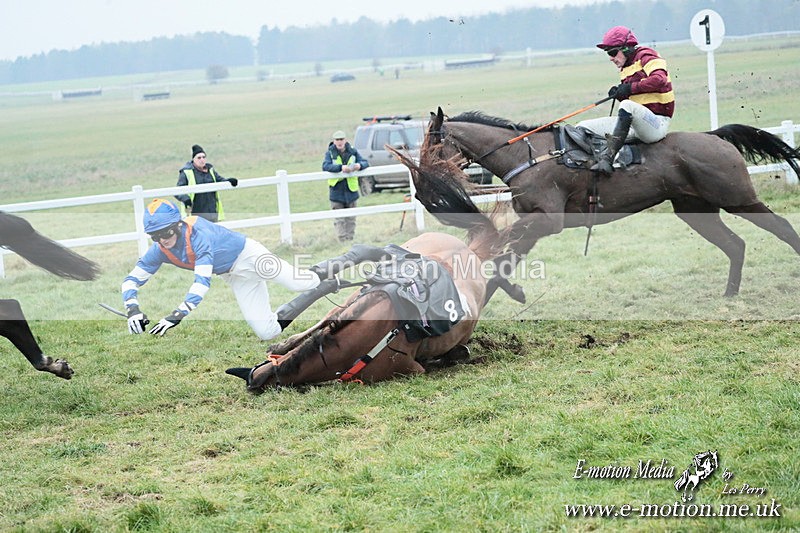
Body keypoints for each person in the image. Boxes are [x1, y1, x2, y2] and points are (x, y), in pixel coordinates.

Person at [122, 198, 321, 340]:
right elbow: (130, 281)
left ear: (178, 225)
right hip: (233, 275)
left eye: (166, 233)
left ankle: (336, 266)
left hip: (250, 256)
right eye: (155, 236)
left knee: (301, 283)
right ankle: (317, 291)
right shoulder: (159, 249)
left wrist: (177, 315)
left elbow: (202, 283)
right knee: (267, 333)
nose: (162, 241)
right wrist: (133, 309)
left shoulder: (198, 236)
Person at [577, 26, 675, 174]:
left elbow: (659, 80)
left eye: (612, 52)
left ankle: (608, 160)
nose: (611, 58)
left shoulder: (647, 55)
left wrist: (629, 88)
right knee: (582, 127)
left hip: (656, 123)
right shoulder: (625, 68)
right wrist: (620, 93)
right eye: (608, 53)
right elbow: (637, 96)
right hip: (636, 125)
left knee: (627, 105)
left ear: (626, 48)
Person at [322, 130, 369, 242]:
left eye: (341, 139)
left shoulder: (353, 152)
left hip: (351, 190)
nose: (339, 142)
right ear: (334, 141)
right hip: (336, 190)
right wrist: (340, 168)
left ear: (345, 140)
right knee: (339, 218)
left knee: (351, 218)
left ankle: (350, 239)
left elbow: (365, 162)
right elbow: (325, 166)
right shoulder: (329, 154)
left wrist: (359, 165)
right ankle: (342, 240)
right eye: (337, 140)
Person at [175, 144, 238, 222]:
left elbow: (219, 180)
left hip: (212, 212)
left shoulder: (210, 170)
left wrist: (229, 181)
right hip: (195, 214)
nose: (202, 160)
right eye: (199, 158)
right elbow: (177, 191)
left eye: (203, 157)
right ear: (193, 159)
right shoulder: (186, 172)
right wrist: (186, 199)